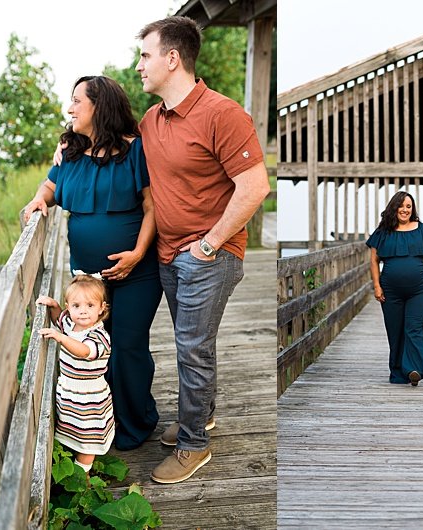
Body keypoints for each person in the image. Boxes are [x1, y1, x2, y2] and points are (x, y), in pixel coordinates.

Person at [135, 16, 269, 484]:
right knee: (196, 343)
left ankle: (195, 444)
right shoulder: (152, 120)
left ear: (173, 59)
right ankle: (202, 415)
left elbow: (254, 187)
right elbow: (115, 147)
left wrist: (209, 245)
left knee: (190, 347)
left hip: (210, 254)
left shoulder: (223, 113)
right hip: (170, 254)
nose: (139, 66)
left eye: (145, 55)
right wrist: (66, 148)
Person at [22, 75, 162, 451]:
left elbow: (151, 207)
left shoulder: (136, 151)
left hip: (138, 273)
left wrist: (135, 254)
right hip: (87, 279)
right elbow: (51, 187)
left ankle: (136, 423)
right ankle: (104, 421)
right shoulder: (69, 151)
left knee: (128, 346)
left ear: (99, 107)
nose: (69, 109)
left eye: (76, 102)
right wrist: (39, 200)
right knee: (96, 347)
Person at [36, 274, 115, 473]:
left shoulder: (99, 336)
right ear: (69, 307)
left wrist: (60, 338)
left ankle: (83, 476)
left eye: (90, 305)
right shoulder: (70, 324)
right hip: (71, 392)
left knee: (88, 438)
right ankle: (75, 465)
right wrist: (53, 306)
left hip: (89, 396)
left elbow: (84, 351)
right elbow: (58, 319)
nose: (83, 311)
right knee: (73, 430)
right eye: (76, 306)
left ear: (101, 308)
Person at [366, 191, 423, 385]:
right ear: (394, 207)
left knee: (413, 327)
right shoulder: (383, 232)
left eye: (409, 206)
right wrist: (376, 286)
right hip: (390, 291)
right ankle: (399, 372)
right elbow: (374, 260)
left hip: (420, 290)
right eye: (402, 206)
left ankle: (414, 369)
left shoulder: (422, 229)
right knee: (395, 331)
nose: (405, 210)